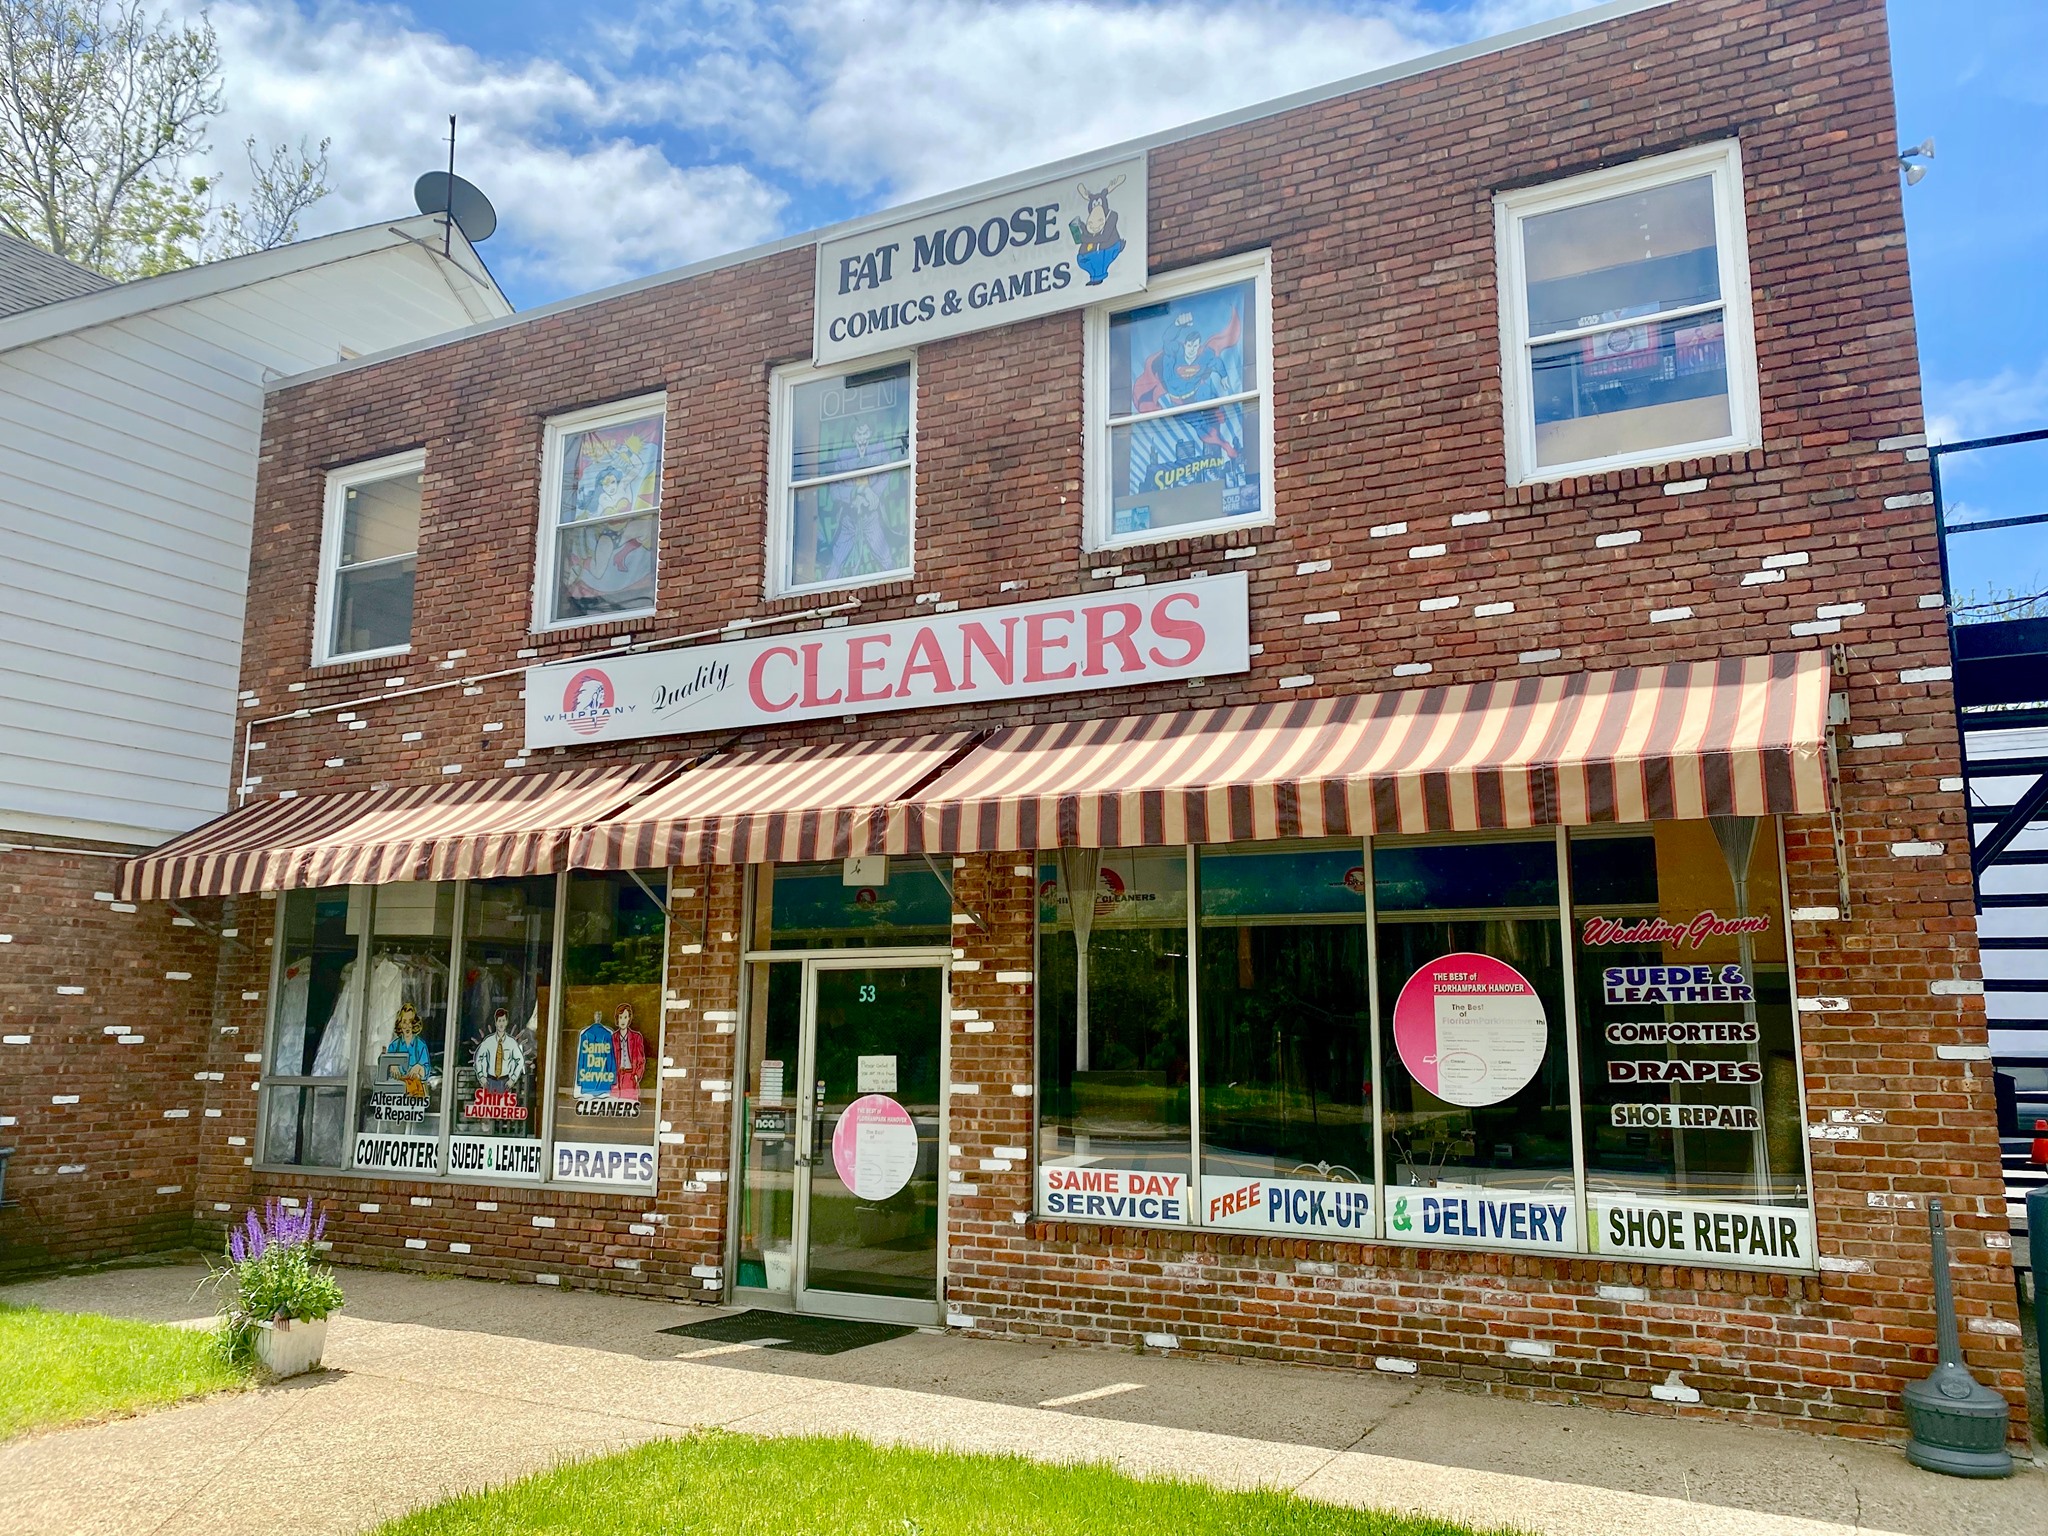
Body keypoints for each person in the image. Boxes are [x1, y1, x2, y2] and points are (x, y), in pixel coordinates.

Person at [610, 1003, 648, 1102]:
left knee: (630, 1103)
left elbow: (641, 1060)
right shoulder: (613, 1038)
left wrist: (637, 1076)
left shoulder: (636, 1037)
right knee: (615, 1105)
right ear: (617, 1019)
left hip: (630, 1077)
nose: (623, 1020)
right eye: (620, 1017)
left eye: (625, 1017)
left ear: (629, 1019)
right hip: (616, 1078)